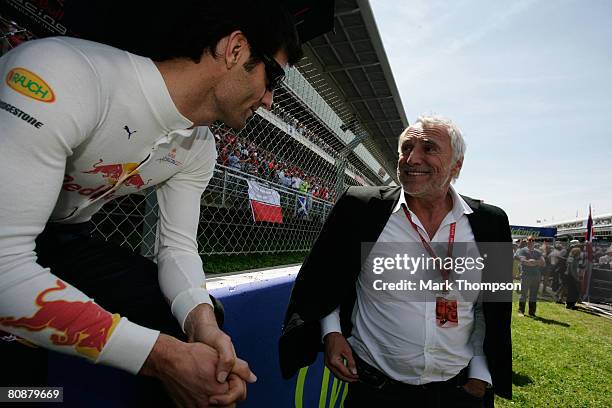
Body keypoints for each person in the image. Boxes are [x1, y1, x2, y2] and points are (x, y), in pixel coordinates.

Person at [0, 1, 302, 406]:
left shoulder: (200, 147)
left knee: (198, 317)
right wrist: (162, 358)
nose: (268, 100)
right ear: (235, 49)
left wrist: (203, 325)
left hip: (64, 237)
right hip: (10, 244)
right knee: (20, 389)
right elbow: (4, 270)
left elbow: (177, 248)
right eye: (273, 79)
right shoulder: (62, 72)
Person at [279, 115, 512, 408]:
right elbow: (326, 280)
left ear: (457, 165)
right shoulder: (361, 208)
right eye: (406, 148)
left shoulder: (491, 223)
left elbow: (489, 308)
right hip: (375, 392)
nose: (412, 158)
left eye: (429, 148)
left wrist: (479, 375)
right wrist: (332, 332)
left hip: (459, 392)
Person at [516, 236, 545, 316]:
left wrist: (533, 261)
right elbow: (524, 262)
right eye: (529, 240)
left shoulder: (538, 252)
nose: (531, 241)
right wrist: (536, 262)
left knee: (534, 295)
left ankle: (532, 312)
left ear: (534, 242)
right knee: (523, 294)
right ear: (527, 241)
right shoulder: (522, 250)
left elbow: (543, 263)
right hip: (525, 275)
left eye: (533, 240)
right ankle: (521, 311)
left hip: (536, 276)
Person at [565, 240, 582, 309]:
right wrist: (576, 277)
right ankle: (570, 304)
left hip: (570, 275)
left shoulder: (571, 256)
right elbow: (571, 268)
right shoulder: (572, 257)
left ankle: (570, 304)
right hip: (572, 275)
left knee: (571, 290)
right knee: (573, 290)